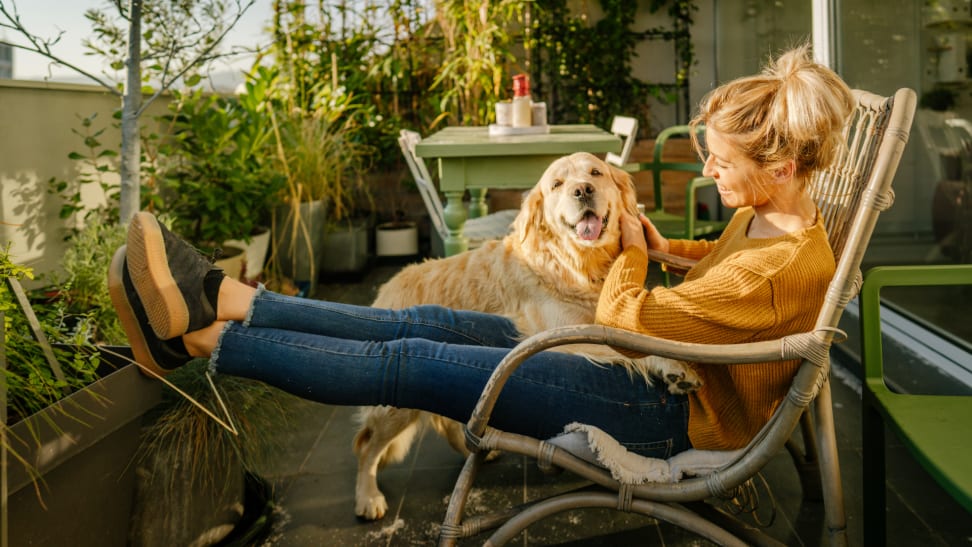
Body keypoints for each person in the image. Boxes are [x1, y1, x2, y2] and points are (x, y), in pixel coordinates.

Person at [108, 44, 852, 459]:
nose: (709, 171)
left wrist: (629, 250)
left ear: (781, 166)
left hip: (652, 406)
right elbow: (721, 265)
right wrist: (667, 245)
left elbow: (634, 320)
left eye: (721, 162)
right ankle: (225, 294)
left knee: (411, 367)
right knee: (413, 324)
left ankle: (205, 338)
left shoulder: (781, 263)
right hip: (619, 363)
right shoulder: (779, 218)